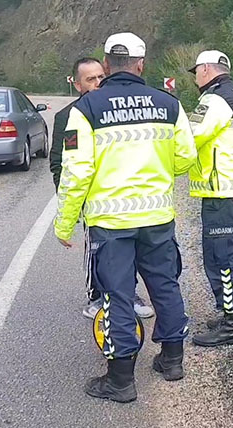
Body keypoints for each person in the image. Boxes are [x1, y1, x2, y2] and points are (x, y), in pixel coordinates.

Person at [54, 32, 198, 403]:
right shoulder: (169, 104)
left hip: (111, 224)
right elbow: (185, 158)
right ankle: (172, 360)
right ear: (141, 65)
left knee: (117, 296)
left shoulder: (83, 110)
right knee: (165, 285)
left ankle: (120, 380)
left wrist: (65, 223)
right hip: (157, 217)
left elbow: (75, 173)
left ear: (105, 65)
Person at [50, 58, 156, 321]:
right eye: (90, 79)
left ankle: (129, 294)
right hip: (90, 200)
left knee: (127, 250)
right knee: (96, 252)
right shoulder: (68, 117)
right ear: (77, 85)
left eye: (100, 77)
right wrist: (71, 206)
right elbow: (59, 164)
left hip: (124, 198)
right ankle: (97, 295)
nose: (97, 83)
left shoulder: (119, 108)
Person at [185, 50, 233, 347]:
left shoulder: (214, 99)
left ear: (205, 69)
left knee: (222, 259)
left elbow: (190, 136)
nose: (195, 78)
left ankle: (232, 323)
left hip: (222, 193)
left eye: (196, 72)